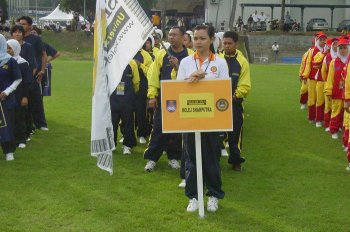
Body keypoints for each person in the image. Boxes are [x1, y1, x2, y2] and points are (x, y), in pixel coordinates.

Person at [176, 24, 229, 213]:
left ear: (211, 40)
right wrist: (191, 78)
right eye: (196, 38)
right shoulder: (186, 63)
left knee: (212, 159)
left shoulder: (221, 63)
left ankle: (214, 195)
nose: (198, 42)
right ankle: (194, 197)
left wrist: (205, 81)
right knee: (191, 158)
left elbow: (224, 91)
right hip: (191, 117)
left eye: (202, 38)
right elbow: (177, 90)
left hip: (213, 118)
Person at [144, 26, 194, 172]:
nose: (171, 37)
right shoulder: (161, 54)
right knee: (159, 128)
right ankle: (152, 158)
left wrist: (178, 67)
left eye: (175, 35)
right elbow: (153, 76)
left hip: (183, 98)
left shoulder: (190, 55)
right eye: (170, 35)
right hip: (164, 99)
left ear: (182, 36)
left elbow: (192, 77)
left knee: (177, 131)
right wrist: (152, 95)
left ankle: (173, 157)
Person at [219, 31, 251, 171]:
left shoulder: (242, 61)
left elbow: (245, 84)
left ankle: (236, 161)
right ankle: (213, 160)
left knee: (235, 133)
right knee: (217, 133)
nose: (226, 46)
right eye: (224, 43)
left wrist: (235, 96)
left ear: (236, 44)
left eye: (229, 43)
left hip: (235, 104)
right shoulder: (217, 59)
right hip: (217, 104)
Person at [17, 16, 48, 131]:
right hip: (19, 74)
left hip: (34, 73)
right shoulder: (16, 38)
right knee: (23, 100)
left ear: (30, 26)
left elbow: (43, 55)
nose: (21, 25)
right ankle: (27, 126)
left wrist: (42, 70)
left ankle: (41, 123)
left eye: (24, 24)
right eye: (20, 23)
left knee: (36, 99)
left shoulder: (36, 39)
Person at [110, 60, 140, 154]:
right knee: (112, 122)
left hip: (127, 98)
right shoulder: (111, 61)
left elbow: (136, 81)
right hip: (113, 97)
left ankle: (127, 145)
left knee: (128, 122)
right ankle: (111, 144)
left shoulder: (132, 63)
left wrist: (130, 94)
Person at [7, 39, 32, 149]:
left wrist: (25, 96)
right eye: (6, 48)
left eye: (10, 48)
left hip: (19, 94)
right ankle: (10, 139)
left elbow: (27, 81)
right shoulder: (4, 61)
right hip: (7, 95)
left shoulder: (23, 63)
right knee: (8, 118)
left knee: (20, 117)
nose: (8, 50)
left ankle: (21, 139)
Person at [0, 34, 22, 161]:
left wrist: (6, 92)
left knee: (6, 126)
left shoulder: (10, 61)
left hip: (5, 100)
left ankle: (9, 151)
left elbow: (18, 79)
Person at [324, 39, 349, 139]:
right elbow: (329, 78)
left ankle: (345, 132)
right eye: (341, 48)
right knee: (336, 111)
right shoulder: (334, 62)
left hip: (347, 94)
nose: (343, 50)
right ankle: (333, 130)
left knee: (346, 114)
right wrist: (329, 91)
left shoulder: (349, 62)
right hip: (337, 92)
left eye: (345, 48)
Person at [302, 32, 327, 124]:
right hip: (312, 78)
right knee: (312, 97)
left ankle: (320, 118)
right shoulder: (312, 51)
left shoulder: (327, 51)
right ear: (317, 41)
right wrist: (305, 75)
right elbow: (308, 64)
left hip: (322, 79)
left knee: (321, 98)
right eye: (321, 40)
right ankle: (312, 117)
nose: (323, 41)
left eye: (324, 40)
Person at [321, 38, 338, 131]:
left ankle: (337, 125)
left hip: (340, 86)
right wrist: (327, 82)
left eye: (337, 45)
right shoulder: (327, 57)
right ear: (331, 46)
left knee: (337, 106)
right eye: (334, 44)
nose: (336, 46)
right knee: (328, 105)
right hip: (329, 84)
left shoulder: (344, 57)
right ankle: (327, 124)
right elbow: (323, 71)